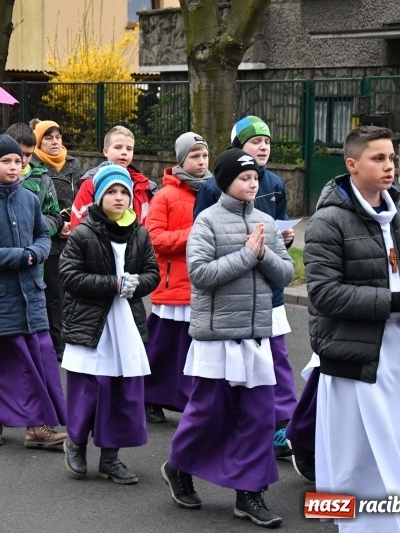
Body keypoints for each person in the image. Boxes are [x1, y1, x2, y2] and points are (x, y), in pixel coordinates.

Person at [306, 126, 400, 532]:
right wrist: (396, 301)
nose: (389, 166)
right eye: (378, 158)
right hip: (354, 355)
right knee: (357, 458)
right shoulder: (328, 221)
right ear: (352, 164)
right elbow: (324, 294)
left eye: (391, 158)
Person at [162, 149, 293, 528]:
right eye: (243, 178)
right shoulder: (206, 221)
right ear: (225, 182)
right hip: (216, 337)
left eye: (255, 178)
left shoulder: (266, 222)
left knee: (259, 416)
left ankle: (250, 493)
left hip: (255, 336)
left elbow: (286, 273)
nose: (252, 184)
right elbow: (201, 275)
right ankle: (178, 466)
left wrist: (263, 254)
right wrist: (247, 255)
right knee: (207, 413)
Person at [193, 116, 297, 460]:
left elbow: (284, 261)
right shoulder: (211, 192)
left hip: (267, 294)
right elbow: (201, 256)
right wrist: (247, 253)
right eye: (255, 141)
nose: (263, 147)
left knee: (274, 361)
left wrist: (280, 242)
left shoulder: (275, 184)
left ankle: (282, 424)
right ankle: (196, 451)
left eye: (267, 141)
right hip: (226, 302)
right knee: (217, 387)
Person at [0, 134, 68, 448]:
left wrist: (36, 252)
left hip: (30, 294)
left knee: (37, 361)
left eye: (18, 161)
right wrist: (17, 257)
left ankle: (37, 427)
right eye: (6, 161)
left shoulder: (29, 199)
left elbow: (43, 235)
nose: (13, 166)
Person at [60, 165, 160, 484]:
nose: (119, 198)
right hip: (90, 322)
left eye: (124, 192)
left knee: (120, 390)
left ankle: (110, 457)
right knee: (89, 388)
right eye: (112, 192)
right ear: (99, 196)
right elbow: (69, 276)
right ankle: (76, 444)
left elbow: (152, 273)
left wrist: (137, 284)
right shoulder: (83, 233)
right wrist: (112, 284)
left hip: (125, 323)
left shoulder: (139, 233)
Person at [142, 132, 211, 424]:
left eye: (205, 155)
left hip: (203, 285)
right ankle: (147, 397)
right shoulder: (165, 196)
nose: (201, 161)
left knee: (195, 350)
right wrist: (193, 235)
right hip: (172, 287)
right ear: (181, 160)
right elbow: (154, 238)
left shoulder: (214, 192)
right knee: (163, 348)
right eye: (195, 156)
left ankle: (192, 401)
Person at [31, 119, 83, 361]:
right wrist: (58, 224)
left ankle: (73, 335)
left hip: (74, 236)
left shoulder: (72, 163)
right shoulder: (35, 165)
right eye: (48, 137)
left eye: (58, 137)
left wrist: (76, 223)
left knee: (74, 291)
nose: (55, 142)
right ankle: (56, 342)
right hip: (50, 239)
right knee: (54, 294)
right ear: (39, 141)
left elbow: (83, 197)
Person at [69, 126, 154, 228]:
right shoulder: (91, 184)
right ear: (105, 151)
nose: (124, 152)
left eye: (129, 149)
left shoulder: (144, 186)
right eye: (118, 147)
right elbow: (77, 221)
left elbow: (149, 223)